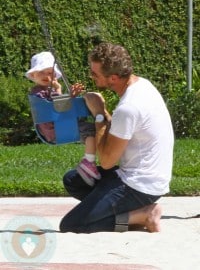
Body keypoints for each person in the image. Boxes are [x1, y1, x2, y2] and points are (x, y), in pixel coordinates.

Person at [59, 42, 174, 233]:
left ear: (113, 77)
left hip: (139, 186)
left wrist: (98, 113)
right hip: (149, 179)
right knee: (74, 180)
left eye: (95, 74)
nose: (91, 76)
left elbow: (106, 162)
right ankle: (120, 211)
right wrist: (103, 112)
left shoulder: (129, 107)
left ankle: (141, 215)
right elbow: (118, 132)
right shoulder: (143, 85)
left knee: (72, 225)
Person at [26, 51, 101, 186]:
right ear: (32, 75)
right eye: (41, 72)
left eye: (50, 73)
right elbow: (59, 106)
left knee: (92, 130)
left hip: (60, 127)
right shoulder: (38, 93)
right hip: (57, 130)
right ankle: (88, 162)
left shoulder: (46, 92)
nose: (46, 76)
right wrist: (70, 95)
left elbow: (60, 105)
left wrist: (62, 90)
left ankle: (94, 160)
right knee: (93, 132)